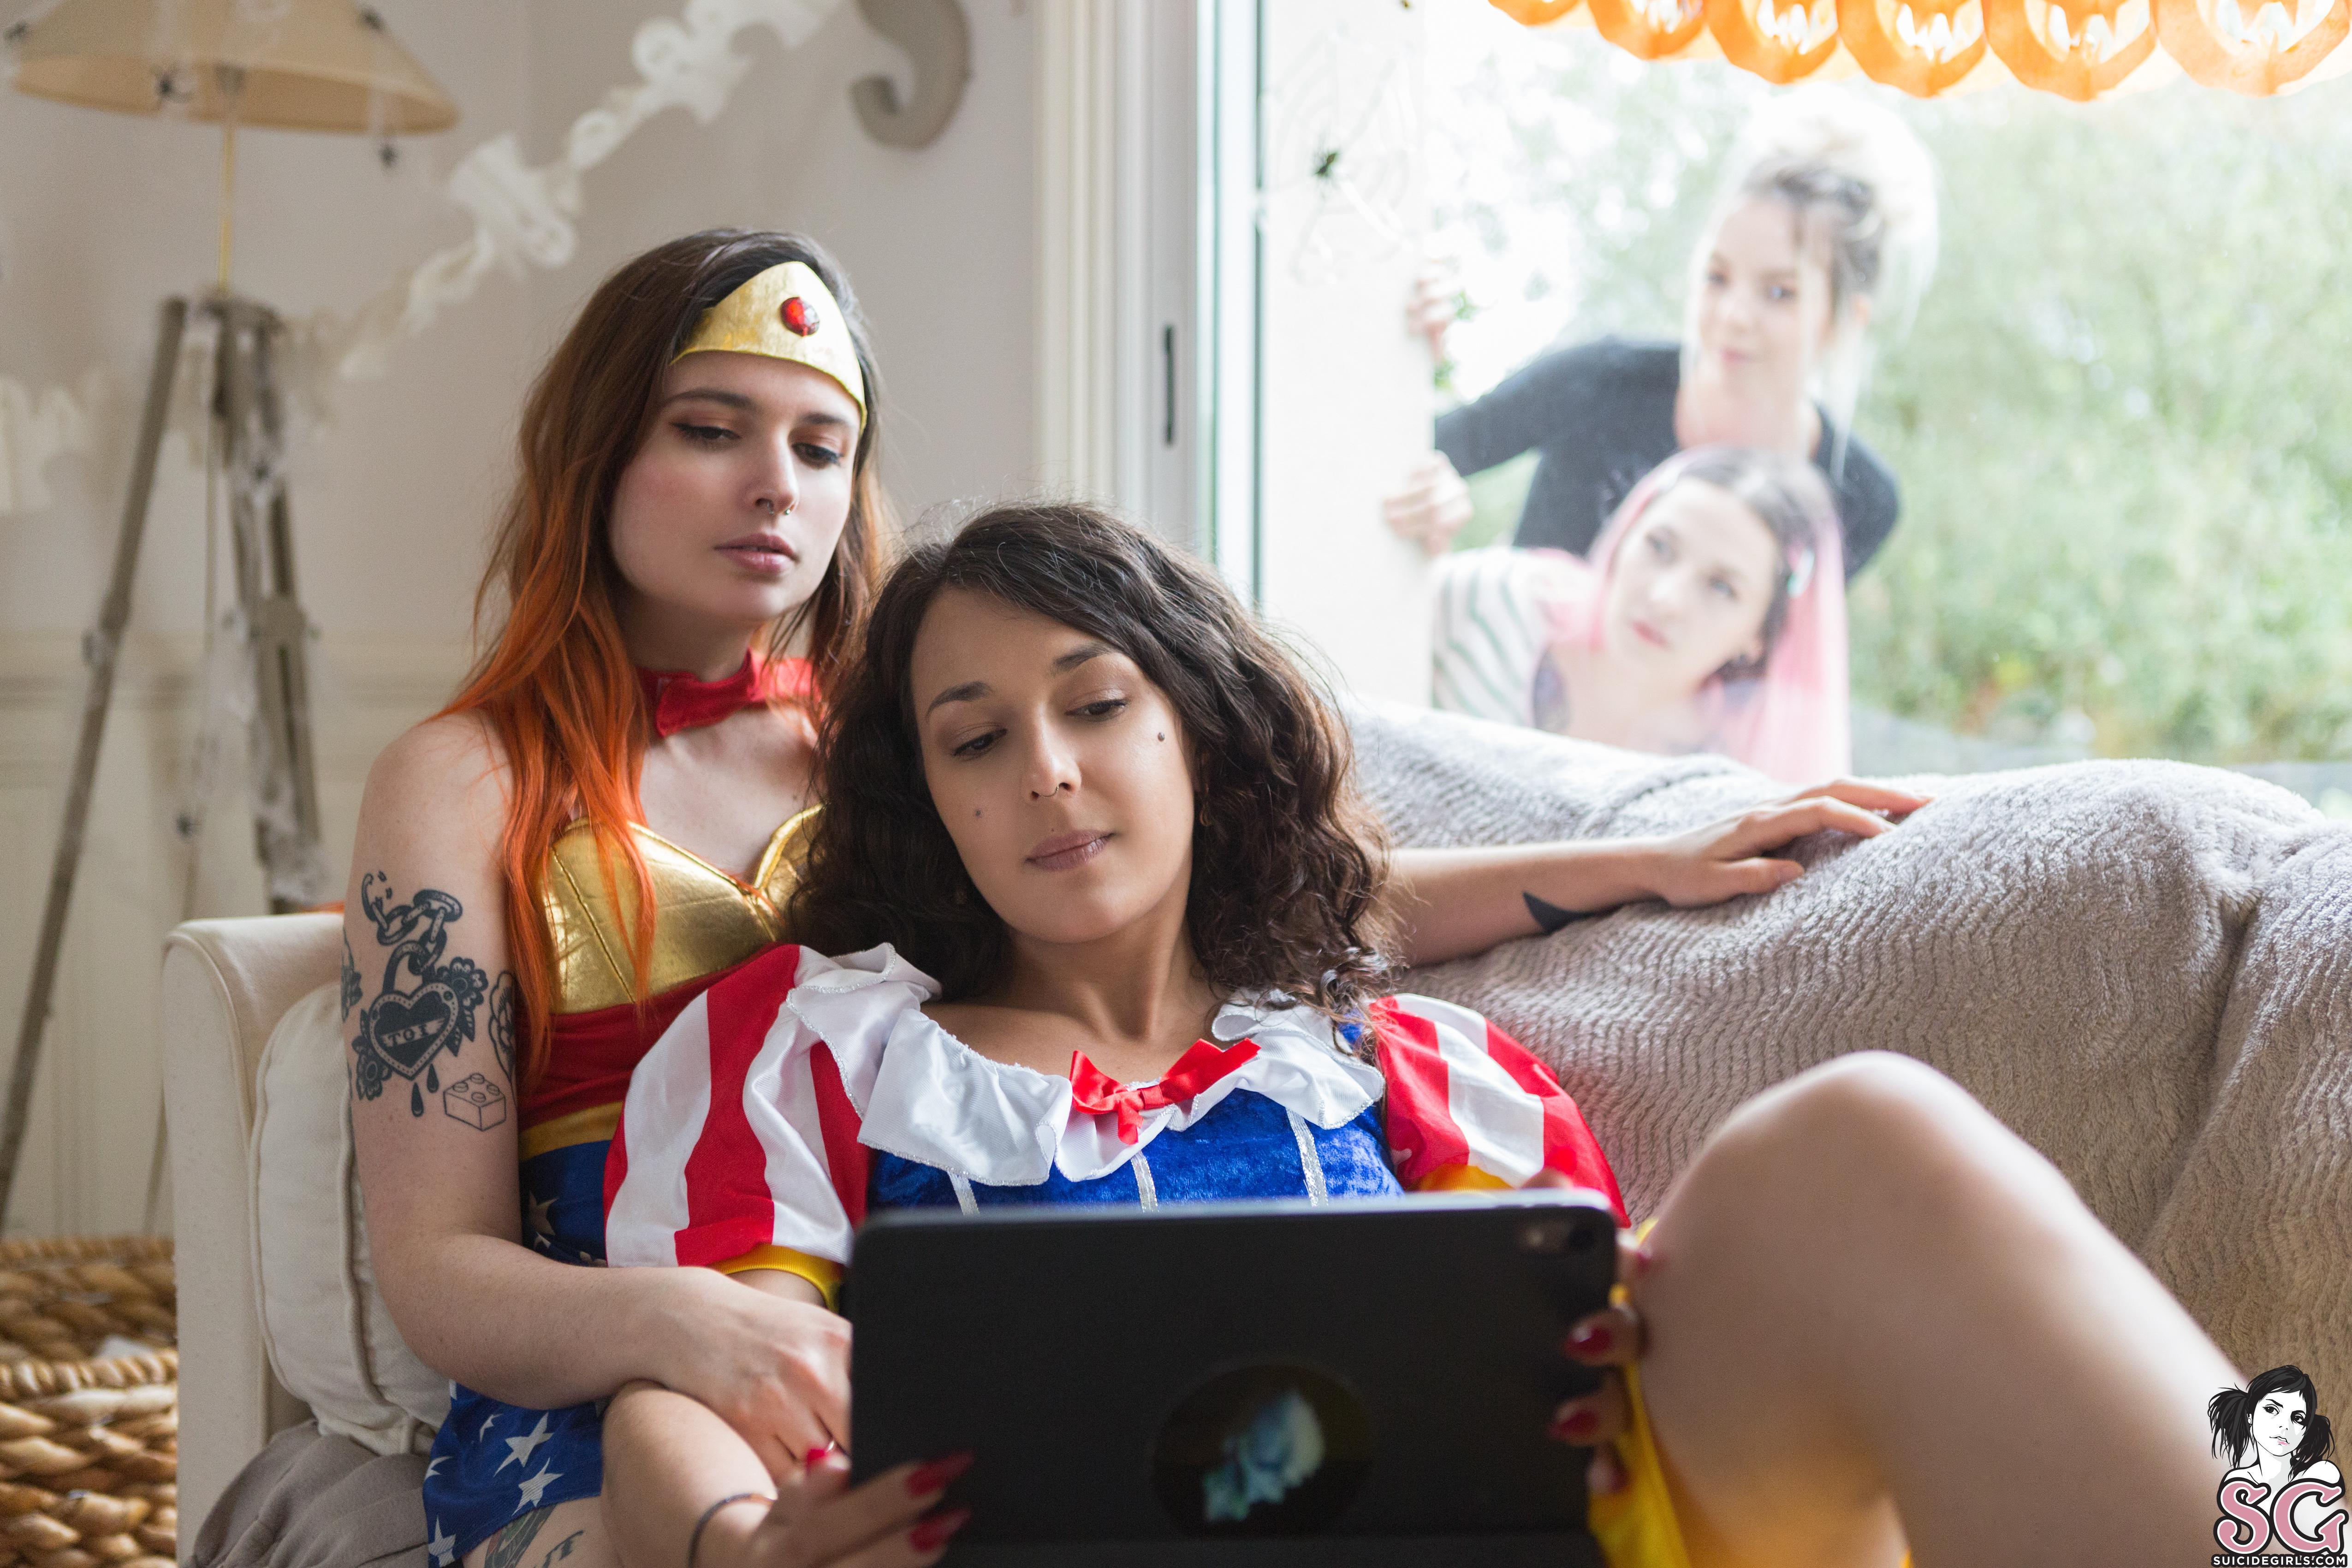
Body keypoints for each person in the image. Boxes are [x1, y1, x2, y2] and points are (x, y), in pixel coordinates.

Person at [339, 231, 1914, 1568]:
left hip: (884, 1300)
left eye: (821, 449)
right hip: (637, 1344)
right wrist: (688, 1331)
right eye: (710, 430)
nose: (774, 486)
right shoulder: (469, 780)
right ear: (597, 450)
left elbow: (1237, 909)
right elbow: (433, 1268)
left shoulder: (904, 734)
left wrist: (1627, 861)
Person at [598, 502, 2240, 1568]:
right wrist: (737, 1542)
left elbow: (1572, 1354)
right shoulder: (811, 1049)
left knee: (1866, 1142)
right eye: (975, 740)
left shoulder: (1414, 1067)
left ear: (1195, 736)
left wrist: (1586, 1354)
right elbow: (684, 1382)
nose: (1045, 769)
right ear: (929, 799)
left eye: (1096, 705)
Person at [1386, 91, 1936, 576]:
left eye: (1779, 292)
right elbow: (1403, 454)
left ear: (1844, 319)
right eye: (1717, 277)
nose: (1733, 316)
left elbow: (1784, 654)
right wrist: (1410, 352)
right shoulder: (1602, 383)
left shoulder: (1858, 500)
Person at [1433, 446, 1849, 782]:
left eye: (1721, 587)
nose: (1666, 598)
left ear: (1757, 636)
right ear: (1626, 532)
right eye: (1659, 546)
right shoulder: (1497, 602)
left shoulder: (1732, 782)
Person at [2209, 1366, 2343, 1553]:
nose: (2285, 1426)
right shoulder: (2237, 1483)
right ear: (2250, 1416)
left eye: (2298, 1418)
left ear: (2305, 1431)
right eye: (2272, 1409)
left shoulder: (2321, 1474)